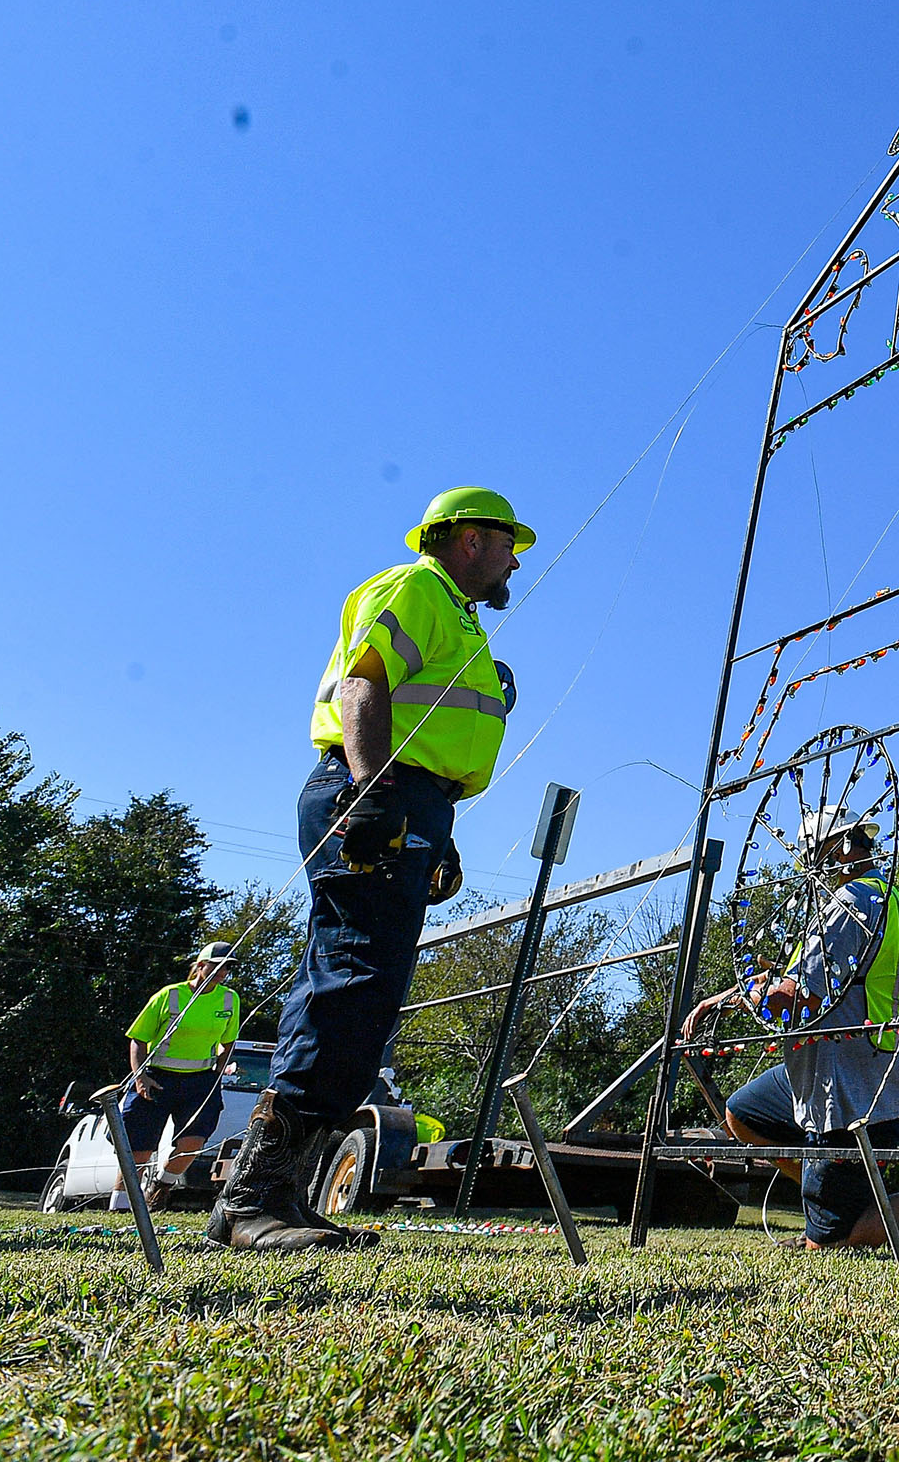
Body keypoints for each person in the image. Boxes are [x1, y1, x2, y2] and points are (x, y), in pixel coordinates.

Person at [209, 486, 527, 1252]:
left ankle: (274, 1194)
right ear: (470, 541)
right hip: (373, 791)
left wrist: (433, 825)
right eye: (508, 541)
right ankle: (254, 1198)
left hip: (410, 800)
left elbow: (431, 729)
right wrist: (375, 789)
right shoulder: (418, 586)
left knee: (369, 995)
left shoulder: (455, 613)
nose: (516, 558)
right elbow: (363, 684)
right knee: (350, 980)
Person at [680, 806, 899, 1251]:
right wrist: (722, 998)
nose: (807, 866)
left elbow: (797, 996)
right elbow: (800, 978)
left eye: (812, 855)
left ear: (835, 850)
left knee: (839, 1242)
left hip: (858, 1085)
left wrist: (751, 999)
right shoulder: (879, 897)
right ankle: (827, 1197)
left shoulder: (851, 904)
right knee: (743, 1113)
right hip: (829, 1071)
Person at [116, 942, 241, 1209]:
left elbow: (229, 1042)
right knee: (138, 1150)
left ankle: (161, 1187)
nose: (223, 971)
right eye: (217, 964)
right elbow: (137, 1039)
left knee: (194, 1141)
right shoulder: (169, 995)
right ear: (200, 965)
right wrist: (140, 1077)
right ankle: (120, 1208)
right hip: (157, 1078)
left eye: (228, 967)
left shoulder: (230, 999)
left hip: (200, 1081)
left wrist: (218, 1072)